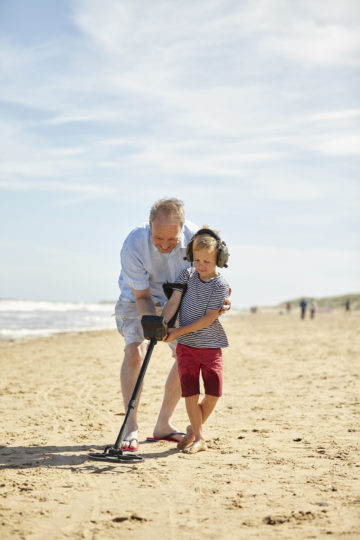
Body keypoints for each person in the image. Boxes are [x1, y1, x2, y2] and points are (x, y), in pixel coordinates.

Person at [115, 199, 231, 451]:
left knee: (185, 355)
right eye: (158, 239)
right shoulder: (134, 243)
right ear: (149, 227)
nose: (165, 245)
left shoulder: (197, 239)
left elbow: (207, 279)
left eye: (172, 240)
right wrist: (153, 325)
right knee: (135, 351)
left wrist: (219, 301)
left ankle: (163, 425)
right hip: (138, 298)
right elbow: (142, 297)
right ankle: (130, 426)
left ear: (182, 230)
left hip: (179, 299)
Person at [161, 227, 230, 454]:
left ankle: (193, 429)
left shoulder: (220, 285)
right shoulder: (187, 275)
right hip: (187, 348)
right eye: (197, 260)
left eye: (207, 262)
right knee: (190, 393)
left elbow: (208, 319)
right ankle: (199, 437)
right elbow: (174, 301)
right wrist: (163, 324)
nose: (200, 266)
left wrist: (178, 332)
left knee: (213, 393)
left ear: (219, 259)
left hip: (210, 346)